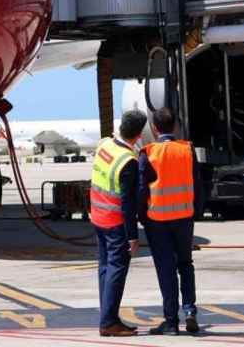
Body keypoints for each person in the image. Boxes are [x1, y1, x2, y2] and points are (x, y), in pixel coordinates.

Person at [140, 107, 203, 335]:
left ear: (155, 128)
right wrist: (196, 212)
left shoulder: (149, 152)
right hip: (184, 218)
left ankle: (171, 321)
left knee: (166, 270)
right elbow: (197, 183)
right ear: (174, 126)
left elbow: (141, 189)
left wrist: (141, 218)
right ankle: (190, 311)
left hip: (157, 220)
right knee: (185, 265)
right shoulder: (187, 150)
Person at [90, 109, 146, 337]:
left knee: (105, 268)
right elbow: (127, 203)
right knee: (117, 269)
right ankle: (108, 322)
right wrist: (133, 236)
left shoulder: (104, 144)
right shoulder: (128, 161)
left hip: (98, 217)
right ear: (139, 134)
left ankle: (108, 316)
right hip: (115, 223)